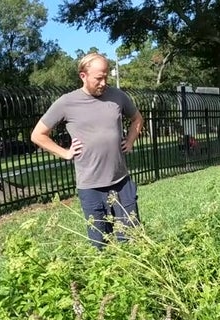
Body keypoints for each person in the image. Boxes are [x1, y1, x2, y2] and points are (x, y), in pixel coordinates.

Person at [31, 52, 144, 249]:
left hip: (121, 182)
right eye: (98, 78)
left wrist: (131, 140)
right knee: (101, 244)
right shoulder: (67, 102)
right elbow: (38, 134)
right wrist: (65, 153)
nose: (103, 82)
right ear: (83, 75)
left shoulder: (118, 96)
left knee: (133, 237)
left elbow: (137, 119)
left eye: (106, 76)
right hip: (91, 187)